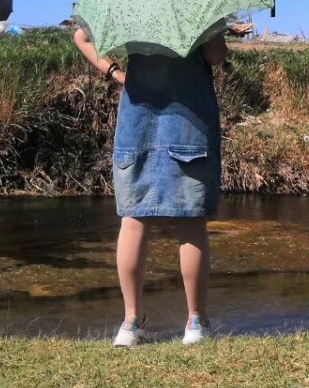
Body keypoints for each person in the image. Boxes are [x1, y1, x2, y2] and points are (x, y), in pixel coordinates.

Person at [73, 25, 227, 345]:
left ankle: (131, 323)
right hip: (189, 125)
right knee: (191, 224)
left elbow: (81, 37)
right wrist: (217, 27)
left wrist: (115, 72)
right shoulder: (196, 7)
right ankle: (196, 323)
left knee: (134, 220)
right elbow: (215, 56)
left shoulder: (131, 5)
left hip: (136, 125)